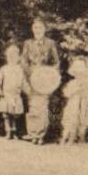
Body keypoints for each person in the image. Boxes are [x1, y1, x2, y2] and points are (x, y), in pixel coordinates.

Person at [20, 16, 61, 144]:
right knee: (33, 106)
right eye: (35, 27)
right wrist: (30, 73)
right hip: (31, 78)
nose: (37, 30)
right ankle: (33, 133)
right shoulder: (28, 43)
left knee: (43, 106)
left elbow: (56, 62)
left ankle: (41, 135)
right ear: (32, 29)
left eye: (40, 27)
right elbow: (23, 61)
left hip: (44, 79)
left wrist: (49, 73)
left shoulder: (50, 43)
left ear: (44, 29)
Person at [59, 55, 88, 145]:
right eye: (78, 73)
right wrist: (76, 89)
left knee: (82, 120)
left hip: (84, 103)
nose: (80, 75)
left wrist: (85, 90)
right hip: (74, 104)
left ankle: (81, 138)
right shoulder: (73, 83)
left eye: (82, 73)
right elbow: (66, 93)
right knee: (71, 120)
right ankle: (66, 138)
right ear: (75, 74)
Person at [0, 43, 27, 139]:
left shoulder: (19, 69)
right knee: (6, 114)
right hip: (6, 94)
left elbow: (23, 82)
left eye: (14, 56)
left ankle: (14, 131)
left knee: (15, 114)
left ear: (18, 58)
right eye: (10, 56)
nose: (12, 58)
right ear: (7, 57)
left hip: (16, 94)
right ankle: (8, 131)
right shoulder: (4, 69)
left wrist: (28, 92)